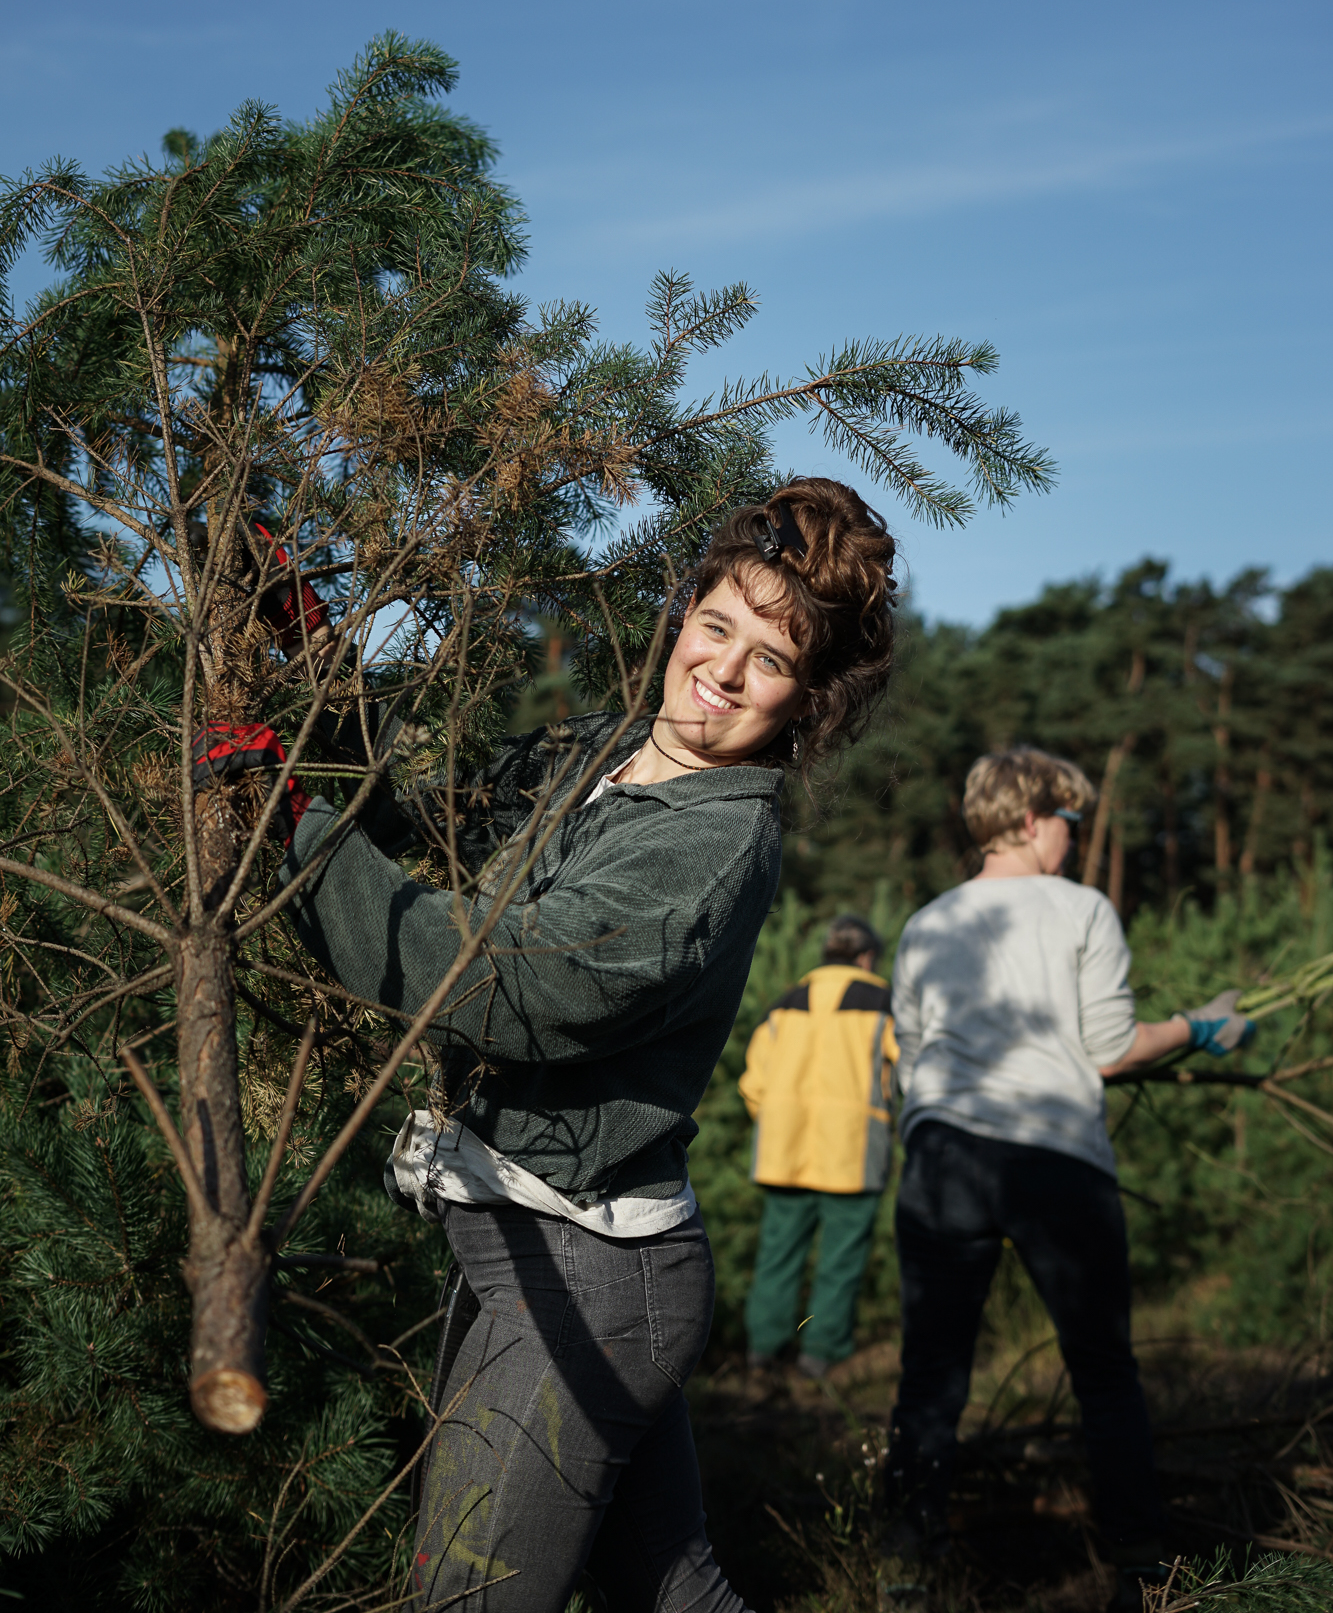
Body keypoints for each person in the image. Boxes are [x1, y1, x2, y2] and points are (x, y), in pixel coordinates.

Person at [200, 477, 897, 1613]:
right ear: (685, 615)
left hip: (596, 1274)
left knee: (466, 1598)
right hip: (549, 1253)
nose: (721, 668)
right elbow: (437, 813)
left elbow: (501, 980)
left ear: (806, 698)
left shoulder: (711, 848)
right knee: (673, 1591)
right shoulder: (608, 751)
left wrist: (293, 826)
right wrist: (318, 663)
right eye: (716, 623)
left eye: (770, 658)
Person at [886, 746, 1255, 1612]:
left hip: (940, 1159)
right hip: (1053, 1160)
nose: (1074, 840)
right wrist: (1198, 1028)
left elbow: (910, 1055)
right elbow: (1110, 1051)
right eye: (1068, 823)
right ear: (1026, 819)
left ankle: (904, 1573)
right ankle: (1139, 1568)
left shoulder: (926, 921)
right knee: (1102, 1370)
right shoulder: (1082, 910)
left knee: (930, 1374)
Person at [739, 914, 897, 1381]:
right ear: (867, 957)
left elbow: (753, 1084)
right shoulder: (884, 1002)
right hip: (852, 1152)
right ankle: (820, 1358)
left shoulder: (785, 1004)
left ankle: (762, 1353)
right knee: (841, 1259)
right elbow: (911, 1067)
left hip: (783, 1151)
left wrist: (778, 1124)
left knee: (777, 1254)